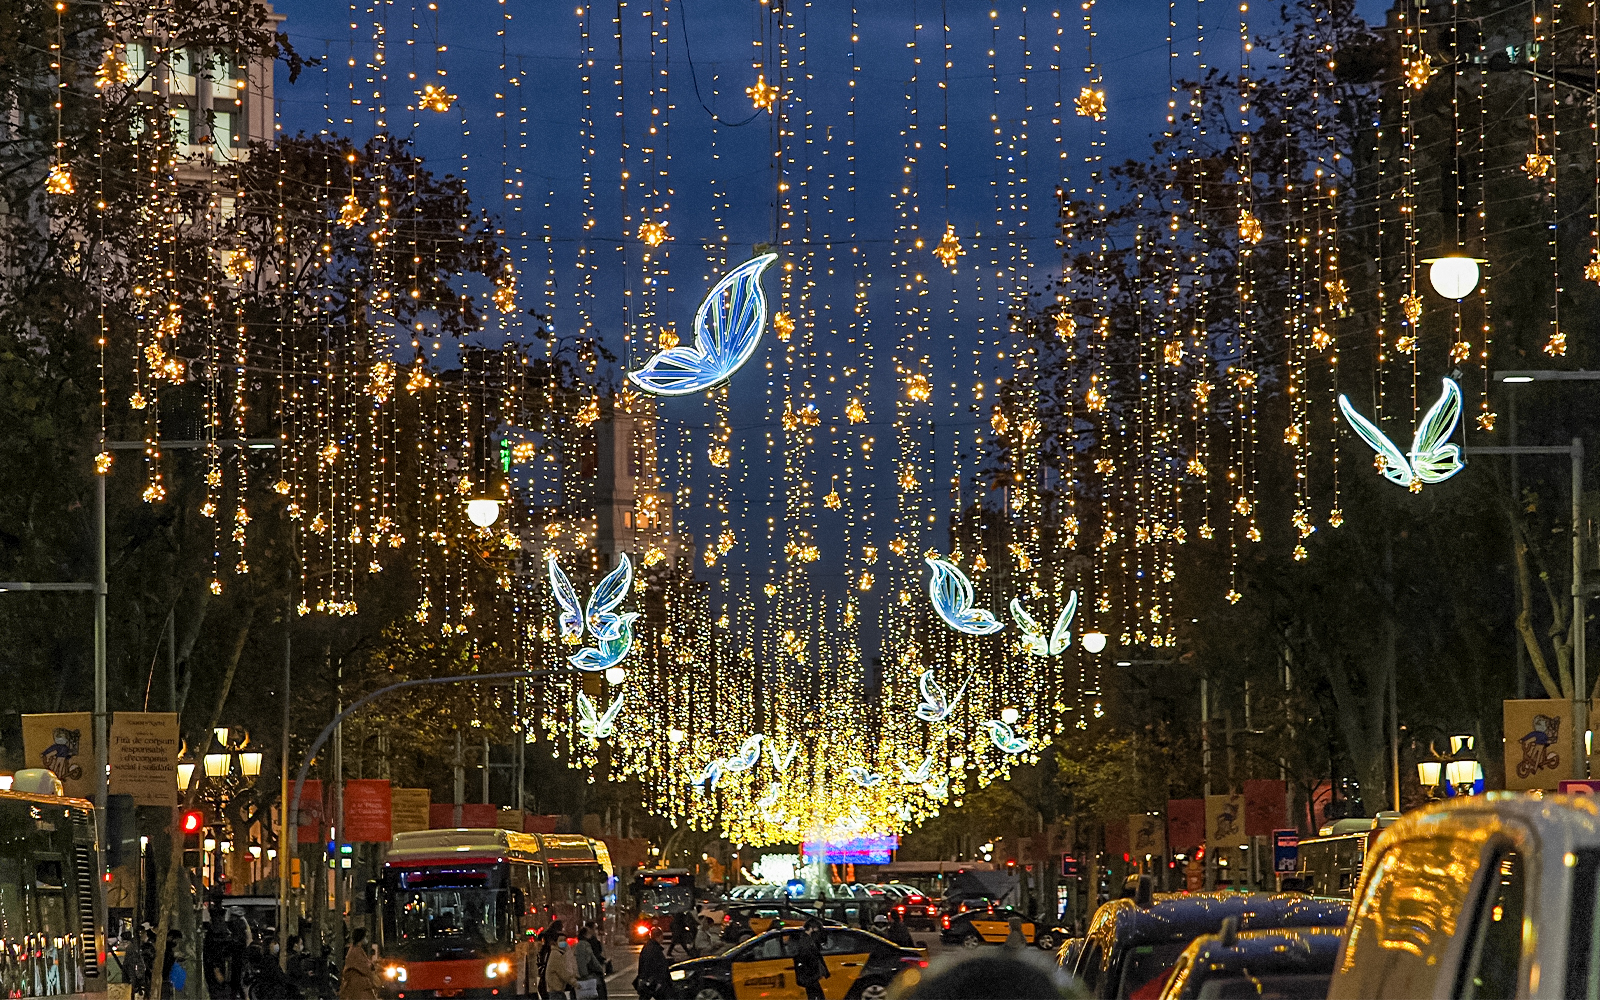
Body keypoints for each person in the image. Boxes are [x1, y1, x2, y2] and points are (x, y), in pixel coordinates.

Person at [793, 919, 830, 1000]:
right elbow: (809, 957)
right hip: (810, 975)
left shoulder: (807, 939)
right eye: (817, 929)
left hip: (810, 975)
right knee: (817, 995)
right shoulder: (805, 941)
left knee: (814, 995)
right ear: (811, 928)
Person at [338, 927, 379, 999]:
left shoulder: (357, 949)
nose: (367, 939)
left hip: (359, 985)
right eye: (366, 936)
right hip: (358, 986)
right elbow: (364, 966)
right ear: (361, 937)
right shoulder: (355, 951)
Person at [633, 926, 671, 1000]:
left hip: (649, 980)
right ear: (659, 936)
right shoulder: (654, 949)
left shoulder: (648, 947)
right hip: (653, 981)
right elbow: (658, 965)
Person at [573, 925, 609, 1000]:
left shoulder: (584, 944)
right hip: (590, 975)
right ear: (585, 935)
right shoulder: (583, 945)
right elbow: (583, 961)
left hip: (591, 975)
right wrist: (584, 975)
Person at [543, 936, 579, 1000]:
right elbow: (563, 972)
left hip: (555, 990)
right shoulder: (556, 955)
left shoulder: (556, 953)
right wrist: (575, 983)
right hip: (556, 991)